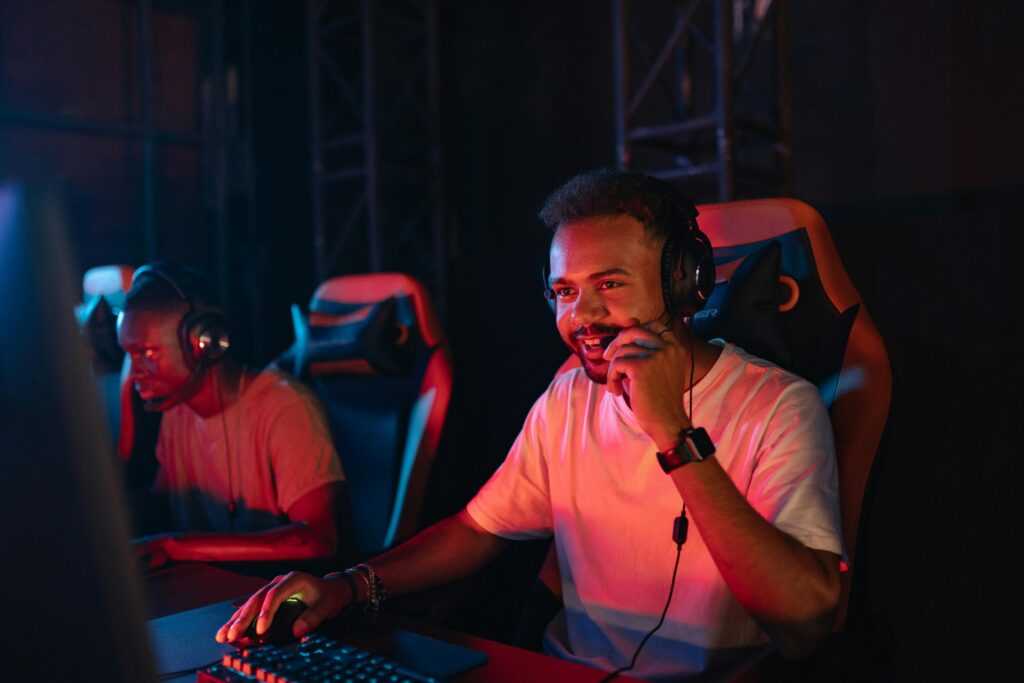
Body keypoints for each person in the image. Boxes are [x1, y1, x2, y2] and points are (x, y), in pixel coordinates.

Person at [217, 170, 843, 680]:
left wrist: (674, 436)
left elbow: (807, 621)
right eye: (565, 292)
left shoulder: (778, 406)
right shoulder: (568, 396)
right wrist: (347, 587)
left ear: (684, 283)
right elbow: (477, 529)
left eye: (611, 283)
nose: (584, 316)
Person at [118, 263, 346, 568]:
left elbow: (318, 540)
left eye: (147, 353)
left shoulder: (285, 407)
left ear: (203, 343)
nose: (134, 374)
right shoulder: (178, 412)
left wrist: (175, 547)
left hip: (277, 598)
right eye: (129, 356)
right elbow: (158, 506)